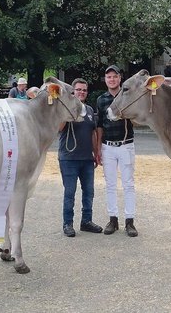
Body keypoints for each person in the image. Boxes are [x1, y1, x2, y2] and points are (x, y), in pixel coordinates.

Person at [96, 65, 138, 237]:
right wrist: (97, 148)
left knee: (128, 184)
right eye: (108, 77)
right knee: (111, 185)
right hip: (108, 147)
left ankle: (130, 221)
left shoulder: (128, 96)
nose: (112, 79)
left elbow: (137, 120)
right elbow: (99, 126)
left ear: (120, 78)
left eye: (114, 76)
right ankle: (113, 219)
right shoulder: (101, 100)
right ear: (105, 80)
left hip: (126, 144)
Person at [58, 78, 103, 237]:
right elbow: (59, 128)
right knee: (70, 192)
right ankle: (67, 223)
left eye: (84, 90)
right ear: (73, 92)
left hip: (86, 159)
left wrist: (96, 152)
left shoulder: (90, 110)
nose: (81, 92)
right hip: (68, 158)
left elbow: (93, 133)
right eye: (78, 90)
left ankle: (86, 221)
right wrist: (68, 112)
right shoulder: (65, 108)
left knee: (89, 192)